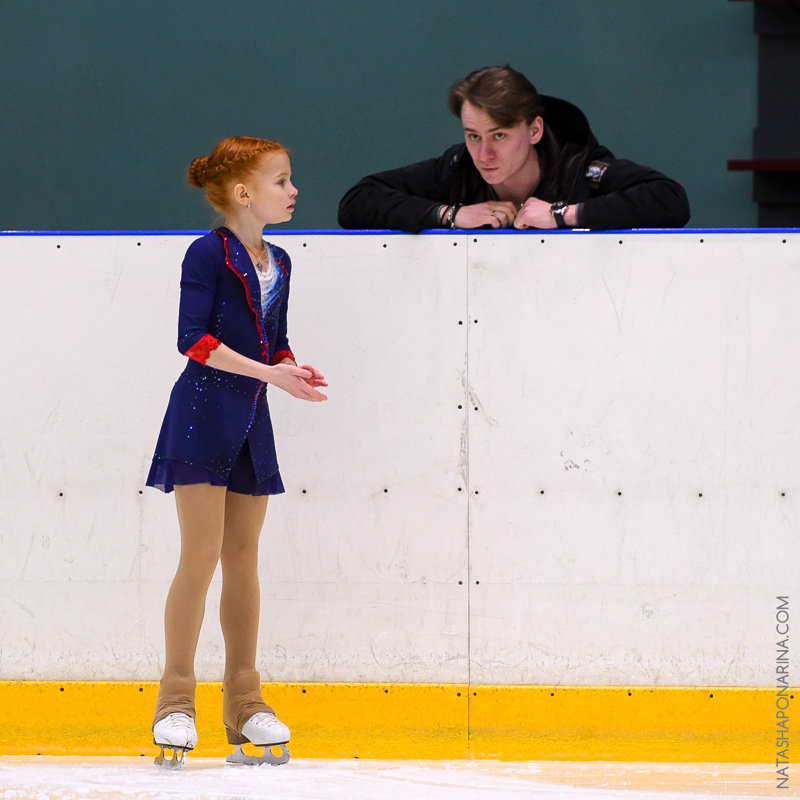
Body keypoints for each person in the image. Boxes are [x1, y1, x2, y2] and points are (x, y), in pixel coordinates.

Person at [145, 136, 327, 768]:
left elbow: (273, 341)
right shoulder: (207, 253)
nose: (294, 190)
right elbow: (192, 340)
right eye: (282, 181)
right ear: (245, 193)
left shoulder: (279, 259)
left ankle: (246, 702)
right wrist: (268, 373)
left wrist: (289, 371)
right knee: (200, 554)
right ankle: (175, 701)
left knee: (244, 558)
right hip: (201, 413)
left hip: (252, 416)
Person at [338, 65, 690, 232]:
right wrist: (452, 214)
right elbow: (357, 202)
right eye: (473, 136)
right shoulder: (457, 169)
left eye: (500, 136)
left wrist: (561, 215)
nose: (484, 154)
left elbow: (670, 199)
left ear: (535, 129)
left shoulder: (579, 167)